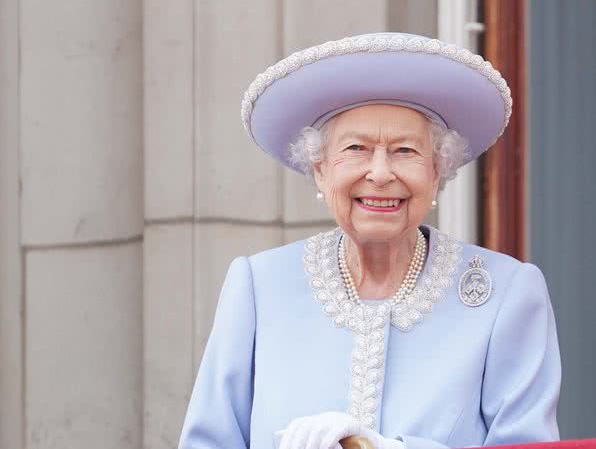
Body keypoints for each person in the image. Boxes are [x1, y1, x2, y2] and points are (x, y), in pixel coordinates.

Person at [178, 32, 561, 449]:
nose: (380, 173)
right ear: (320, 170)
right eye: (357, 148)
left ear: (437, 172)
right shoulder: (258, 285)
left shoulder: (507, 293)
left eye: (404, 151)